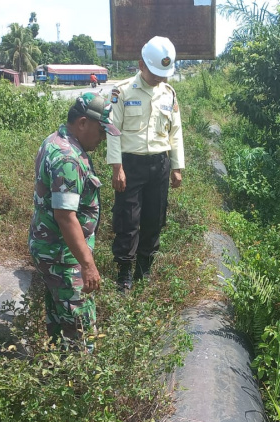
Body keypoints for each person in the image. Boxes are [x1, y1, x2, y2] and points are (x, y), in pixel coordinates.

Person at [28, 93, 121, 351]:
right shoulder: (68, 158)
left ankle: (59, 372)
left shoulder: (54, 140)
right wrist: (87, 265)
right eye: (101, 131)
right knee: (81, 328)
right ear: (82, 123)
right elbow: (65, 217)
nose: (103, 138)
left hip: (52, 249)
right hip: (62, 255)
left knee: (59, 319)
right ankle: (82, 382)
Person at [106, 36, 184, 291]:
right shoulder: (123, 91)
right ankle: (125, 272)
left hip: (160, 164)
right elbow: (113, 130)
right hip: (131, 164)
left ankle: (144, 268)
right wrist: (117, 167)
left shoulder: (169, 93)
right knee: (127, 219)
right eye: (155, 73)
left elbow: (176, 132)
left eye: (164, 73)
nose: (159, 78)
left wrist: (176, 166)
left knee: (154, 218)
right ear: (141, 64)